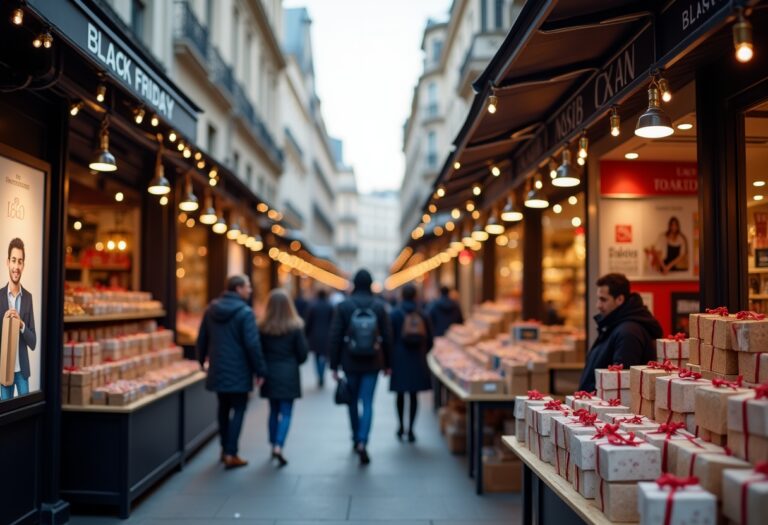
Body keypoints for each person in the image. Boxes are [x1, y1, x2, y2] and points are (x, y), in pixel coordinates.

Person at [197, 274, 267, 469]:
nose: (250, 290)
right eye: (248, 286)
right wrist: (260, 370)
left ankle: (224, 448)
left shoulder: (211, 309)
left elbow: (202, 337)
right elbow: (252, 345)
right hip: (239, 369)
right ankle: (231, 452)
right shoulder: (245, 313)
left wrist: (201, 360)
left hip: (218, 367)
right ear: (238, 289)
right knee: (239, 409)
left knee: (223, 407)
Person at [329, 269, 393, 465]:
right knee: (367, 403)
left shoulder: (344, 306)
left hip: (350, 361)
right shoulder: (379, 306)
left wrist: (334, 365)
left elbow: (335, 336)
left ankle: (355, 437)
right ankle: (364, 441)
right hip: (373, 361)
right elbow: (388, 337)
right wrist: (388, 363)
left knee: (352, 401)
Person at [578, 273, 662, 392]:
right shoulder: (614, 325)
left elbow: (620, 384)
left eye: (603, 299)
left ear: (620, 299)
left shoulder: (628, 333)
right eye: (598, 299)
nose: (598, 305)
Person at [259, 288, 309, 467]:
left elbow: (258, 352)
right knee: (286, 412)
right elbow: (303, 355)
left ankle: (273, 443)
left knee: (273, 411)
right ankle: (279, 445)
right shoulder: (295, 327)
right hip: (289, 374)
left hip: (270, 373)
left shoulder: (262, 327)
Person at [389, 284, 433, 442]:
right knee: (414, 395)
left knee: (400, 394)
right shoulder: (423, 314)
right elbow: (430, 340)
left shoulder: (394, 314)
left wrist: (389, 360)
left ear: (402, 296)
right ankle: (411, 429)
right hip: (417, 358)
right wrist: (422, 352)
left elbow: (389, 339)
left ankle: (400, 426)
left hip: (399, 358)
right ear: (415, 296)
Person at [0, 238, 36, 401]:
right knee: (5, 421)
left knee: (25, 418)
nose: (16, 267)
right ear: (8, 262)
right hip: (4, 371)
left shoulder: (28, 298)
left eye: (20, 262)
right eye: (13, 260)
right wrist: (4, 324)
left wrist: (21, 324)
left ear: (23, 265)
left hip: (22, 372)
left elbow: (33, 342)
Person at [305, 289, 334, 387]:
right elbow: (333, 322)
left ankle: (319, 375)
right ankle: (322, 374)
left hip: (315, 335)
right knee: (324, 357)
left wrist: (306, 335)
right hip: (327, 335)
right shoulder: (330, 306)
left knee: (316, 357)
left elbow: (308, 322)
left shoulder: (313, 306)